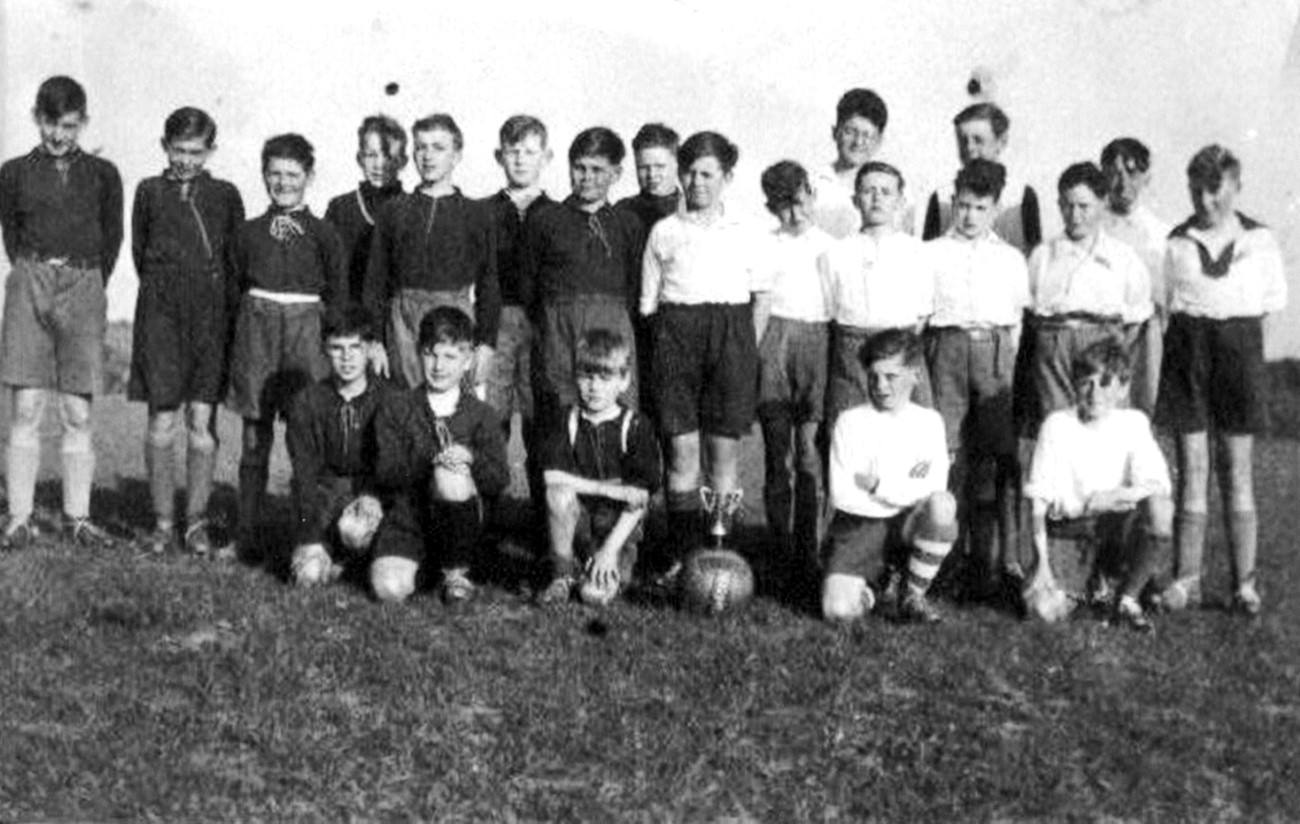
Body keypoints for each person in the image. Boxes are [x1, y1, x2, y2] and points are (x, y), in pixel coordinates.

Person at [1156, 145, 1286, 616]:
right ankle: (1186, 581)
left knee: (1237, 468)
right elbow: (1164, 305)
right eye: (1196, 189)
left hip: (1240, 350)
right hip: (1189, 350)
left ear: (1235, 187)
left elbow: (1267, 311)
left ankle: (1243, 584)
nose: (1205, 200)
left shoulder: (1261, 240)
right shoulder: (1176, 241)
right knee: (1192, 468)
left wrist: (1243, 361)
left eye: (1215, 189)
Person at [0, 75, 123, 548]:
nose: (58, 135)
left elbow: (111, 238)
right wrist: (37, 274)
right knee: (26, 406)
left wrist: (84, 281)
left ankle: (78, 516)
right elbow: (11, 234)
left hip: (84, 282)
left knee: (77, 410)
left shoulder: (103, 174)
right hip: (30, 279)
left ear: (83, 123)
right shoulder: (12, 172)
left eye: (69, 125)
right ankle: (18, 516)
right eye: (50, 123)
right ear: (37, 117)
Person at [640, 131, 768, 576]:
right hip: (676, 334)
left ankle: (720, 553)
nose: (697, 182)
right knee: (680, 453)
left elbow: (761, 300)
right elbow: (649, 305)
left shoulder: (747, 230)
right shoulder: (664, 231)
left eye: (707, 173)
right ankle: (680, 553)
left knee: (723, 457)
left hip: (731, 336)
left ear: (727, 177)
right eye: (689, 172)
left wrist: (743, 350)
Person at [129, 106, 245, 554]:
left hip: (211, 319)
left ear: (210, 151)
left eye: (196, 152)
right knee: (161, 417)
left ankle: (195, 521)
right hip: (160, 315)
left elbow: (234, 261)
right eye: (178, 150)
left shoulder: (226, 195)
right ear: (164, 146)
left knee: (201, 418)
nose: (186, 160)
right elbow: (141, 254)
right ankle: (161, 522)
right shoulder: (148, 191)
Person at [227, 133, 347, 555]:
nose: (283, 183)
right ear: (263, 175)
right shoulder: (247, 233)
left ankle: (307, 535)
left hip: (306, 335)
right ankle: (247, 533)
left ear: (309, 177)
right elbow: (233, 289)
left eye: (292, 175)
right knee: (254, 439)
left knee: (305, 440)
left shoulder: (325, 233)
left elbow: (338, 296)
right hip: (257, 331)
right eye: (274, 174)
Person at [924, 159, 1030, 600]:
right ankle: (941, 562)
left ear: (995, 208)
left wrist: (1004, 367)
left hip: (993, 351)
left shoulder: (1009, 258)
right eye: (963, 205)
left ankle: (982, 564)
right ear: (953, 202)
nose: (969, 216)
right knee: (946, 456)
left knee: (989, 461)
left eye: (980, 208)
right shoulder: (931, 252)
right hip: (945, 347)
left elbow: (1018, 322)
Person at [1022, 339, 1172, 631]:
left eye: (1105, 383)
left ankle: (1127, 598)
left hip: (1113, 531)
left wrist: (1117, 495)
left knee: (1160, 510)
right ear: (1074, 386)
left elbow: (1159, 483)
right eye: (1085, 383)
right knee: (1042, 611)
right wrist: (1041, 563)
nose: (1095, 393)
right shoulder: (1056, 425)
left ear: (1124, 388)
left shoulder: (1134, 423)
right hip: (1068, 533)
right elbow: (1038, 503)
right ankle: (1094, 589)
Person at [370, 307, 509, 603]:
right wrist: (433, 458)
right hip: (411, 518)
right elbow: (386, 471)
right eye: (431, 354)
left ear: (468, 359)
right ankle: (430, 569)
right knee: (388, 589)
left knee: (451, 476)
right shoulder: (396, 406)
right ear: (419, 353)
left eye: (450, 357)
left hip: (461, 522)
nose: (438, 366)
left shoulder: (483, 414)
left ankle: (457, 570)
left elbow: (499, 479)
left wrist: (470, 459)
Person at [822, 329, 957, 623]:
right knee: (837, 611)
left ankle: (912, 594)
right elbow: (843, 495)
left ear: (915, 376)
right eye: (874, 376)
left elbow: (934, 489)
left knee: (942, 505)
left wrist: (878, 485)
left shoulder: (929, 423)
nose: (881, 386)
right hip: (860, 528)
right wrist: (906, 486)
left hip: (908, 525)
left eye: (891, 377)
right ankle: (878, 590)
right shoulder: (849, 422)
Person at [1015, 161, 1152, 440]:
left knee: (1104, 426)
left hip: (1102, 344)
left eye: (1084, 206)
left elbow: (1136, 321)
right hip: (1054, 348)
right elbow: (1028, 311)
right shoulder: (1043, 255)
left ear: (1102, 203)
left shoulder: (1122, 257)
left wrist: (1110, 346)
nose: (1074, 215)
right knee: (1057, 427)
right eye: (1067, 206)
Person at [363, 114, 499, 391]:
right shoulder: (394, 210)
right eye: (421, 147)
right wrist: (374, 340)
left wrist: (486, 344)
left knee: (452, 408)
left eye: (438, 148)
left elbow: (489, 283)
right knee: (406, 409)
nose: (428, 156)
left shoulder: (477, 214)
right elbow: (375, 281)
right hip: (402, 322)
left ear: (456, 155)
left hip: (456, 320)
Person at [524, 127, 644, 429]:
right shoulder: (545, 219)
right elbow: (530, 285)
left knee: (614, 416)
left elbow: (634, 285)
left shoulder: (627, 223)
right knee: (561, 415)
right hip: (559, 330)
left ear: (616, 173)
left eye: (597, 170)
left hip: (613, 328)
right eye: (579, 168)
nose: (587, 177)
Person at [537, 329, 660, 606]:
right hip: (578, 521)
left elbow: (638, 499)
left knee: (593, 595)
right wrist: (607, 489)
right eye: (586, 376)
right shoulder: (566, 419)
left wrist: (609, 551)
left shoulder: (636, 426)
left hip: (617, 529)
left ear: (624, 380)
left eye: (605, 378)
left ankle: (603, 565)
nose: (594, 387)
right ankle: (562, 574)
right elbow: (551, 476)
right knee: (558, 493)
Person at [755, 161, 834, 579]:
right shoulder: (766, 244)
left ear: (812, 196)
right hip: (774, 343)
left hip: (817, 342)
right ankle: (778, 546)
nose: (796, 215)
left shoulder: (830, 246)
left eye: (801, 203)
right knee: (775, 455)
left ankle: (810, 550)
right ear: (771, 207)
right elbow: (759, 304)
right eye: (784, 207)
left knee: (809, 453)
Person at [819, 161, 932, 428]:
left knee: (906, 431)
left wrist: (897, 350)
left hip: (900, 347)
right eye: (869, 191)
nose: (877, 198)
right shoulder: (836, 253)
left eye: (886, 191)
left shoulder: (916, 251)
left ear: (900, 201)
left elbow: (922, 313)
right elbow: (830, 308)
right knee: (849, 428)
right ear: (855, 199)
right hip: (852, 352)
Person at [286, 305, 393, 586]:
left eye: (355, 347)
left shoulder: (388, 399)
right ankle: (326, 552)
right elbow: (304, 476)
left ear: (370, 349)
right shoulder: (307, 402)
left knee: (355, 531)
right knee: (308, 576)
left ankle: (359, 558)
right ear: (324, 349)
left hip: (369, 494)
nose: (347, 358)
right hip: (325, 495)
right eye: (337, 348)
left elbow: (394, 468)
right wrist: (310, 535)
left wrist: (374, 497)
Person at [481, 114, 552, 446]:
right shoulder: (481, 213)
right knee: (492, 408)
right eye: (513, 151)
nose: (520, 159)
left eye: (530, 151)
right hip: (497, 319)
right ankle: (492, 494)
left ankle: (542, 494)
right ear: (499, 156)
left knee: (540, 405)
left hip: (542, 321)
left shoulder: (558, 214)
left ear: (546, 157)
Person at [1100, 137, 1171, 415]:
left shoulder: (1160, 234)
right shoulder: (1092, 227)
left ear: (1146, 177)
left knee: (1141, 413)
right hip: (1103, 329)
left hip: (1145, 336)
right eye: (1114, 173)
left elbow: (1167, 299)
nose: (1123, 182)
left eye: (1132, 172)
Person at [922, 101, 1042, 256]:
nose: (969, 149)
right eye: (963, 141)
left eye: (978, 140)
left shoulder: (1021, 196)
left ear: (1001, 142)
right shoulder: (941, 197)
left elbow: (1033, 259)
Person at [324, 115, 408, 306]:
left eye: (388, 156)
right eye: (371, 155)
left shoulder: (412, 208)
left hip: (396, 317)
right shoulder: (341, 208)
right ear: (359, 158)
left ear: (403, 161)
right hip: (350, 316)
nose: (379, 165)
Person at [811, 88, 894, 239]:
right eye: (850, 131)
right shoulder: (813, 185)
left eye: (867, 135)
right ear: (835, 132)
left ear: (879, 141)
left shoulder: (895, 189)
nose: (858, 142)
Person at [617, 123, 682, 232]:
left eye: (659, 166)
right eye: (643, 167)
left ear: (678, 164)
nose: (651, 174)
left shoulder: (693, 211)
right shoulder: (621, 212)